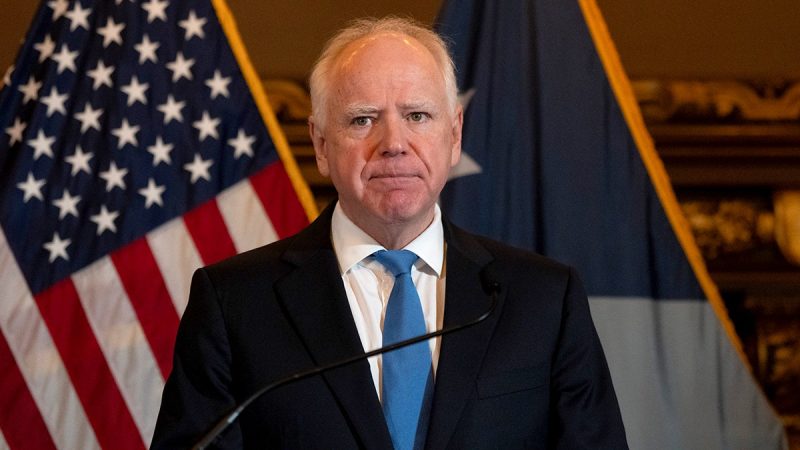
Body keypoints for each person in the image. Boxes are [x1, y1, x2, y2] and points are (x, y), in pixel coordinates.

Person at [152, 17, 627, 450]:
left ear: (454, 134)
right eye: (363, 119)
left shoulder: (543, 298)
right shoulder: (235, 303)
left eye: (417, 116)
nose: (394, 144)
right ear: (321, 144)